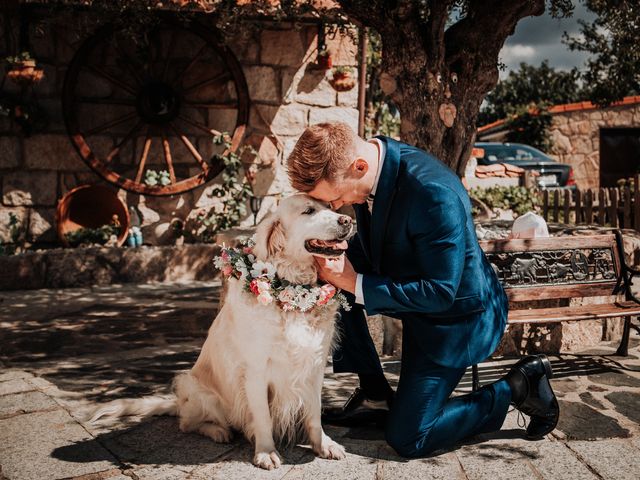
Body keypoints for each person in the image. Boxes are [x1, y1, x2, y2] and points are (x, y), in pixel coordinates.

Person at [286, 122, 559, 457]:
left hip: (455, 320)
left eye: (338, 197)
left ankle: (518, 387)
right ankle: (375, 392)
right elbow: (375, 243)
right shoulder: (369, 169)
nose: (340, 206)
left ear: (359, 166)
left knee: (409, 437)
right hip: (414, 297)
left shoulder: (432, 192)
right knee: (331, 292)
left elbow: (440, 291)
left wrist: (354, 281)